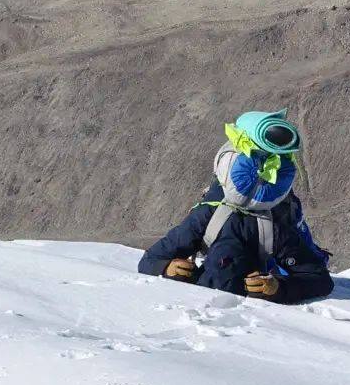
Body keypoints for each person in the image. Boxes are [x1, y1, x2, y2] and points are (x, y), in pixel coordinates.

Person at [137, 109, 333, 303]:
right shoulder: (268, 226)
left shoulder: (213, 216)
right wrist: (277, 290)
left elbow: (150, 260)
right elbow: (319, 280)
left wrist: (165, 268)